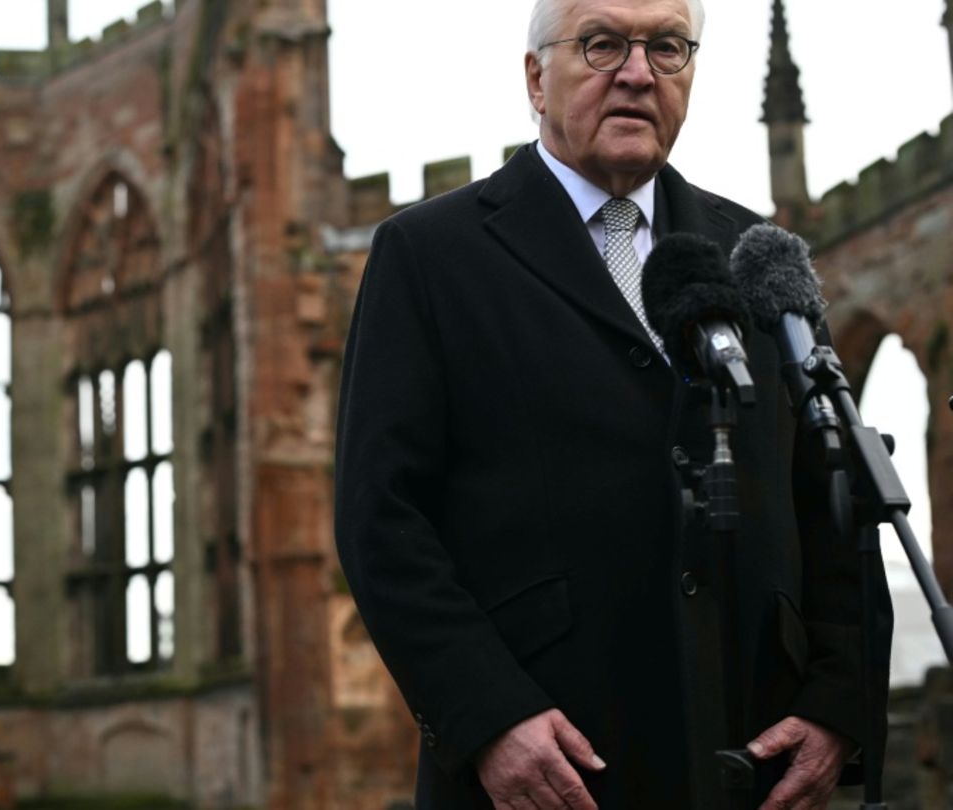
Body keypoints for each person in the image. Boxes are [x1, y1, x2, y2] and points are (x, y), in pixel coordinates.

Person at [332, 0, 890, 808]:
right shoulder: (429, 254)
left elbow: (834, 496)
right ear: (535, 77)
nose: (636, 73)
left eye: (667, 47)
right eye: (601, 44)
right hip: (551, 772)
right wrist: (489, 716)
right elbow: (380, 518)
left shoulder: (758, 253)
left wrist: (838, 704)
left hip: (748, 763)